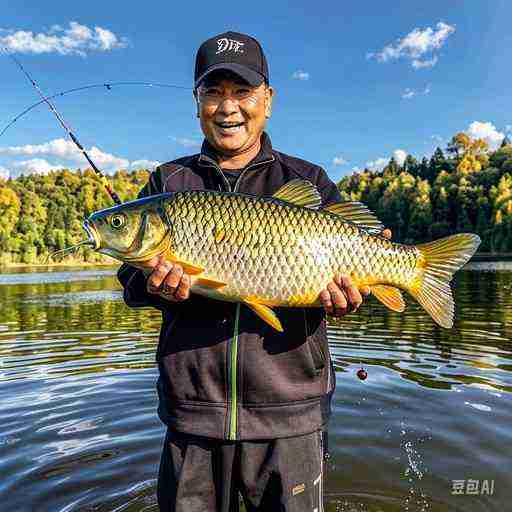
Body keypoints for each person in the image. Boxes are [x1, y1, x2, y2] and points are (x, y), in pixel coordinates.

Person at [117, 30, 390, 512]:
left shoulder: (307, 180)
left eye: (241, 92)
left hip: (291, 413)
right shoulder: (170, 182)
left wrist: (351, 297)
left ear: (268, 100)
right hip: (193, 414)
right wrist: (159, 287)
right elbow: (133, 287)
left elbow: (344, 296)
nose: (228, 108)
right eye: (213, 93)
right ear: (197, 102)